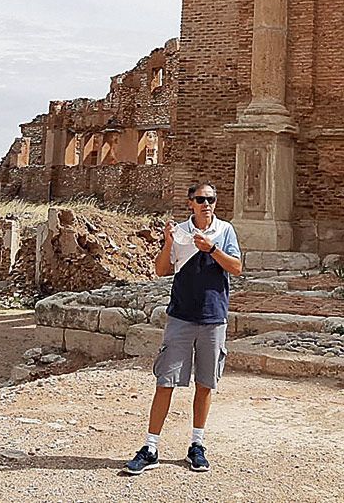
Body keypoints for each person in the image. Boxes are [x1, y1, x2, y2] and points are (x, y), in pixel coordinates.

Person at [123, 183, 242, 475]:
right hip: (181, 316)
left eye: (211, 199)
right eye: (201, 199)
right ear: (190, 203)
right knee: (165, 381)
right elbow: (162, 270)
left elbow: (237, 267)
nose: (206, 204)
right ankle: (150, 447)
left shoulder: (225, 231)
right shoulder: (179, 232)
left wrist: (211, 248)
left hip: (214, 316)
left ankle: (197, 445)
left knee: (205, 383)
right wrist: (167, 242)